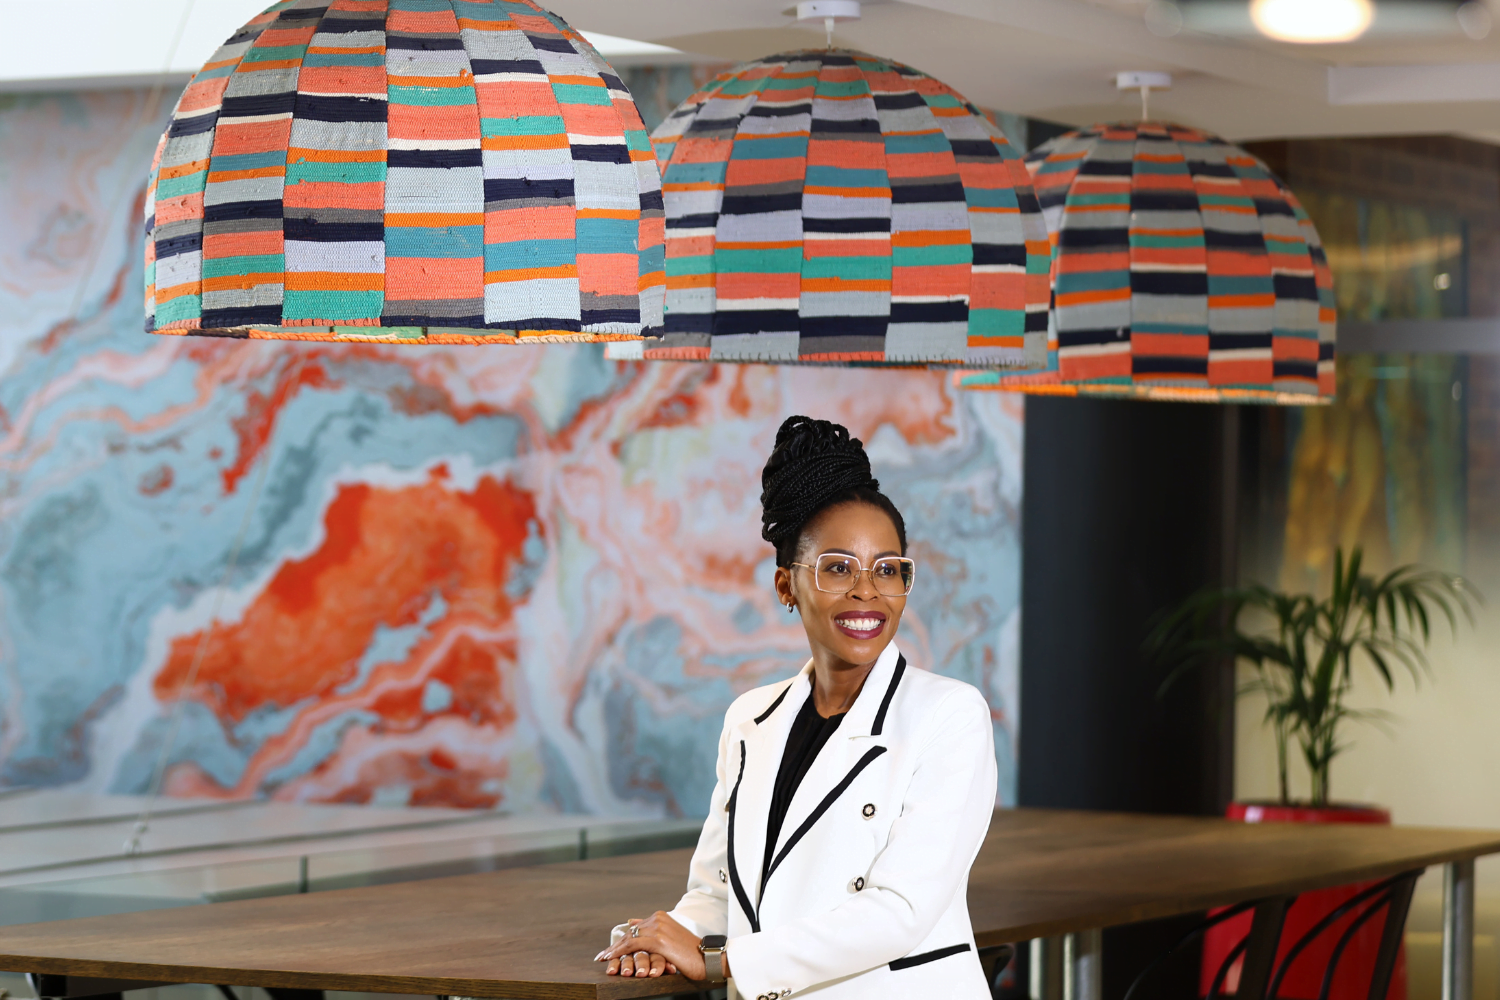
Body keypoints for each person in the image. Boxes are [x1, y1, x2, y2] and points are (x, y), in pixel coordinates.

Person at [597, 415, 998, 1000]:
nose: (867, 591)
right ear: (787, 585)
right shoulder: (749, 720)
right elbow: (720, 889)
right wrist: (658, 936)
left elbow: (899, 912)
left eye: (888, 569)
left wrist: (718, 962)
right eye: (838, 567)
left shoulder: (950, 715)